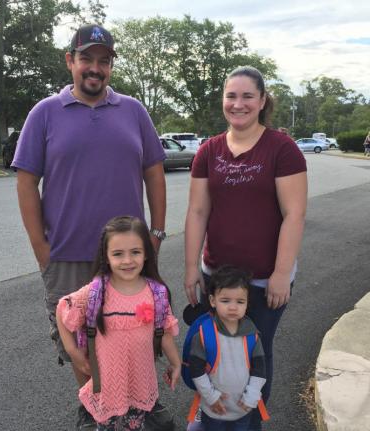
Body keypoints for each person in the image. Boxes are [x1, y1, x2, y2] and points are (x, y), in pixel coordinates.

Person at [12, 24, 168, 430]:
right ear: (70, 61)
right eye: (86, 59)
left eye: (104, 60)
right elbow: (26, 180)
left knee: (132, 338)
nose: (94, 68)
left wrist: (157, 233)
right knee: (80, 345)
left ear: (111, 66)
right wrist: (41, 249)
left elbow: (154, 170)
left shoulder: (133, 110)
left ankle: (130, 412)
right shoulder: (44, 113)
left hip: (128, 259)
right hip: (67, 256)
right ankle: (102, 413)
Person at [184, 66, 307, 431]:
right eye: (231, 96)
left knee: (255, 357)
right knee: (212, 352)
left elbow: (294, 213)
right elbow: (197, 211)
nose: (238, 104)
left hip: (264, 281)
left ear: (262, 100)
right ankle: (212, 418)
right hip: (217, 278)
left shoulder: (282, 149)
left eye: (247, 96)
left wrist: (282, 273)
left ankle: (249, 423)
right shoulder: (209, 151)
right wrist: (191, 267)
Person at [56, 216, 181, 430]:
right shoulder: (97, 292)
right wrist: (72, 350)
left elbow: (165, 332)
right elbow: (63, 308)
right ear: (106, 257)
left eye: (135, 252)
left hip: (140, 382)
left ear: (146, 255)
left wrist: (175, 363)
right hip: (108, 387)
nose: (127, 260)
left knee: (137, 425)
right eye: (117, 254)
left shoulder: (156, 294)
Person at [188, 266, 266, 431]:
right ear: (212, 300)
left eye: (240, 301)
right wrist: (211, 397)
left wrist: (251, 397)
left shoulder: (252, 334)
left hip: (243, 408)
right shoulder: (204, 334)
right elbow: (196, 369)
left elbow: (260, 370)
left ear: (247, 303)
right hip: (213, 408)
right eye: (225, 300)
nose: (233, 307)